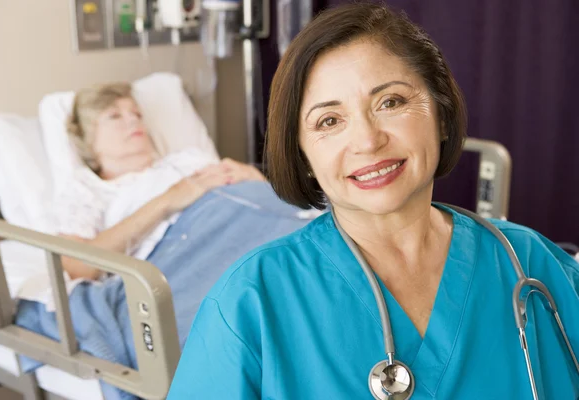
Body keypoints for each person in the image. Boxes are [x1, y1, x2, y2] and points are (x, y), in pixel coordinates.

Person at [167, 2, 579, 399]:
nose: (367, 140)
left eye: (391, 102)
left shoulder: (532, 263)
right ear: (303, 154)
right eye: (329, 121)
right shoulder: (251, 302)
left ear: (442, 111)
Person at [55, 82, 266, 280]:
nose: (133, 120)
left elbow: (262, 198)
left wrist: (253, 177)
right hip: (197, 255)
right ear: (87, 137)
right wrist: (168, 200)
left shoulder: (189, 159)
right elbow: (77, 267)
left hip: (256, 223)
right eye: (115, 116)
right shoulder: (88, 189)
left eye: (136, 114)